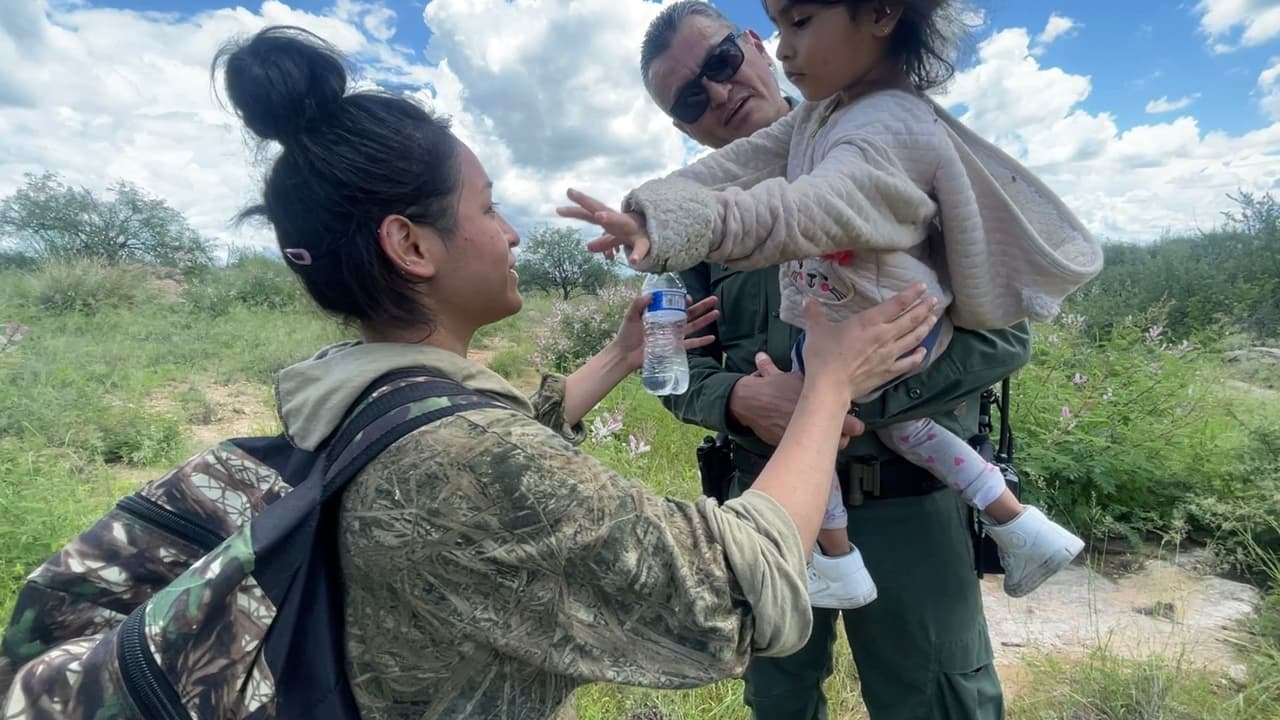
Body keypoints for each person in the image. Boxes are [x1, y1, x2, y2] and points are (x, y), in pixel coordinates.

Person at [209, 25, 937, 720]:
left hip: (908, 508)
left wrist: (623, 356)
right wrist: (828, 386)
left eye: (720, 62)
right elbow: (730, 586)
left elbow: (501, 433)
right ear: (409, 245)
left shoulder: (346, 397)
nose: (513, 231)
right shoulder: (468, 458)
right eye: (489, 208)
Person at [560, 2, 1052, 719]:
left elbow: (1008, 336)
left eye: (721, 63)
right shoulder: (689, 218)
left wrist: (842, 397)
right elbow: (669, 364)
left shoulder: (893, 142)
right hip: (769, 511)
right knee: (779, 699)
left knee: (940, 699)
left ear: (757, 45)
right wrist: (736, 399)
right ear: (682, 126)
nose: (719, 93)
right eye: (692, 97)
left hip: (908, 499)